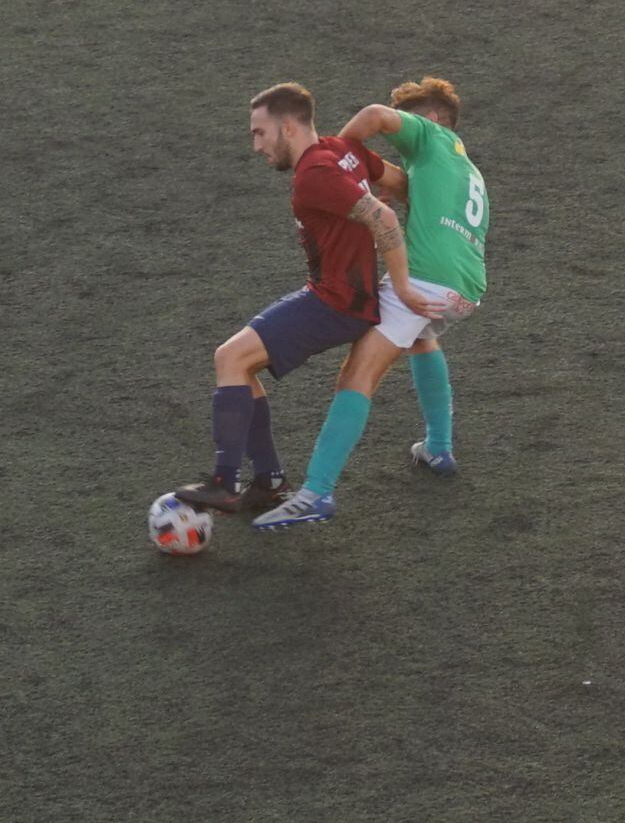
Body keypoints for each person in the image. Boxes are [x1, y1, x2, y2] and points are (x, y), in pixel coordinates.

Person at [175, 82, 439, 514]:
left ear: (289, 127)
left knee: (229, 358)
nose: (256, 146)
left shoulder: (315, 174)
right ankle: (268, 479)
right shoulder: (342, 150)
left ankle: (225, 481)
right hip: (341, 296)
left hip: (337, 301)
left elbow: (384, 215)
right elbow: (403, 187)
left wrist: (404, 284)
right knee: (243, 367)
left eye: (260, 133)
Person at [252, 77, 490, 530]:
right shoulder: (466, 172)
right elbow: (413, 197)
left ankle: (316, 492)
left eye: (412, 123)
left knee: (356, 373)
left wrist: (337, 157)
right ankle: (438, 447)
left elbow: (374, 117)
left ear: (434, 119)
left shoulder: (432, 135)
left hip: (425, 280)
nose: (401, 138)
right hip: (465, 291)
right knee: (421, 341)